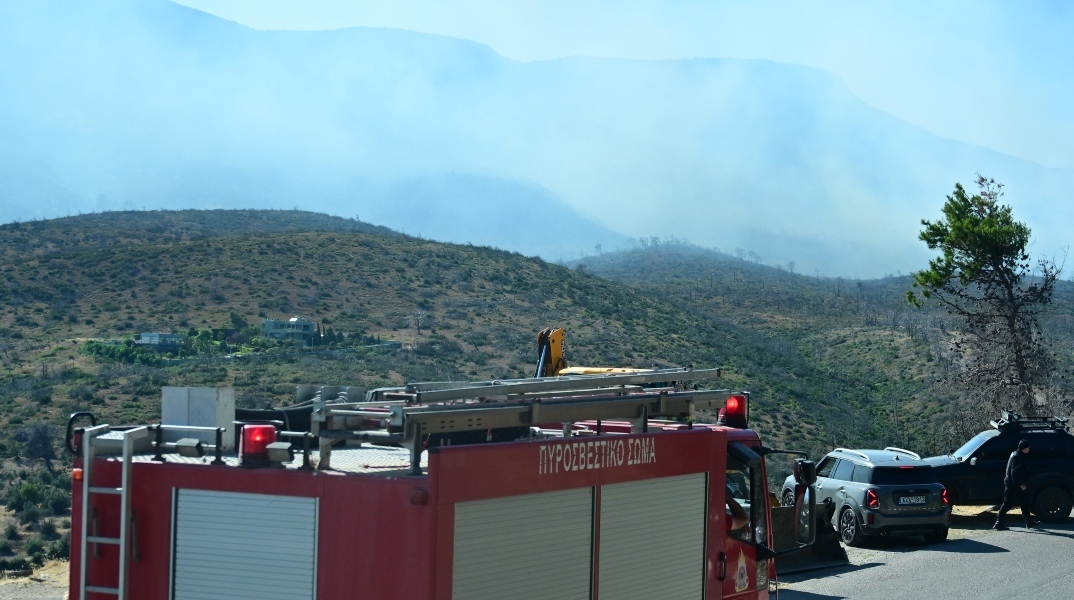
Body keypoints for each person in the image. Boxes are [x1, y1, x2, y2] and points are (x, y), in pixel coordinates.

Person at [993, 439, 1039, 530]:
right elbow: (1014, 473)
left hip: (1015, 483)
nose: (1029, 449)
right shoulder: (1017, 457)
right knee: (1008, 503)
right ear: (1024, 448)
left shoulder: (1016, 454)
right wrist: (1021, 484)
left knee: (1024, 502)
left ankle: (1029, 522)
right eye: (1028, 447)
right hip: (1012, 484)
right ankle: (998, 522)